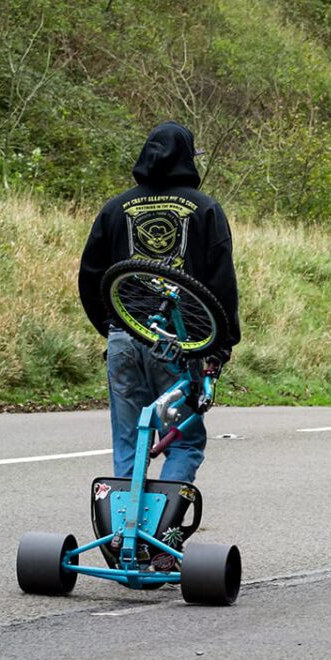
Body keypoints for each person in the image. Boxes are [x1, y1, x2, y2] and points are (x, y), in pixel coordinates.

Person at [78, 122, 240, 485]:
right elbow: (221, 283)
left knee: (128, 441)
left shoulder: (115, 208)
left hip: (124, 336)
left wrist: (111, 327)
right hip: (179, 344)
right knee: (184, 442)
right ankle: (161, 528)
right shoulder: (205, 210)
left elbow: (91, 276)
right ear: (187, 159)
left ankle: (124, 530)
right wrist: (222, 343)